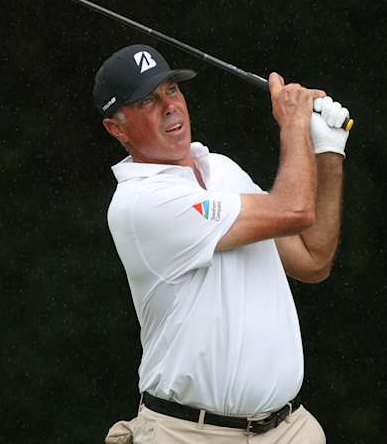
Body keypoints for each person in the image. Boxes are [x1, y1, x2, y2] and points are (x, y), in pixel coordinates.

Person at [96, 44, 350, 443]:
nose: (169, 107)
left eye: (171, 91)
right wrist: (294, 125)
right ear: (117, 128)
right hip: (190, 434)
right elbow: (294, 210)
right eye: (147, 101)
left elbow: (312, 259)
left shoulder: (224, 171)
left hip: (288, 430)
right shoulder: (139, 204)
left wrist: (329, 151)